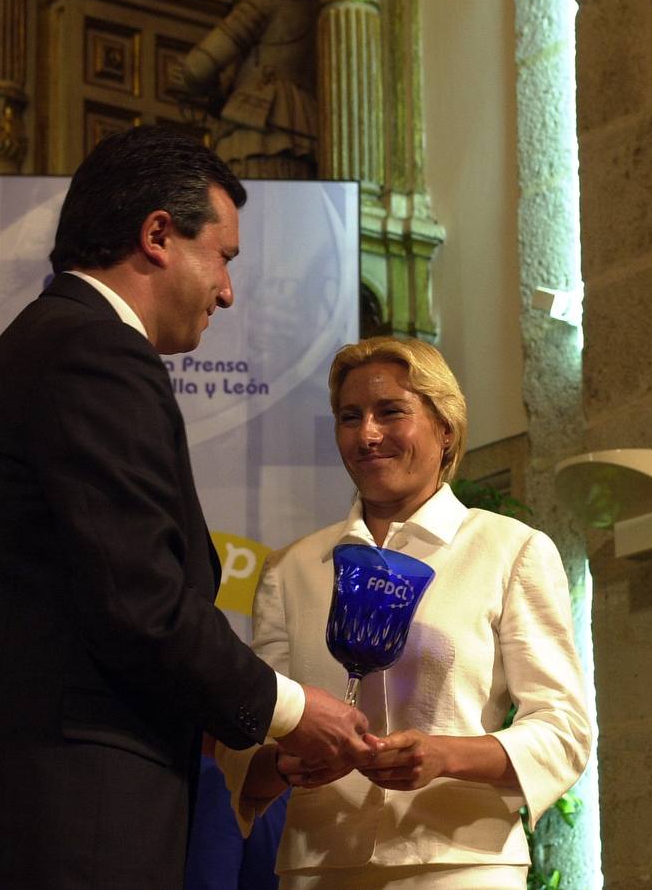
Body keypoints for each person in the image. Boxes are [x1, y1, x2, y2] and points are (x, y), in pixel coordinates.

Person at [0, 126, 371, 889]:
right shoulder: (94, 352)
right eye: (224, 258)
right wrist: (291, 707)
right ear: (158, 236)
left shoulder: (44, 344)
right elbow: (139, 602)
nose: (229, 291)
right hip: (62, 825)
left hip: (12, 817)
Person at [215, 337, 593, 889]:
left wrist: (445, 755)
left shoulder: (510, 550)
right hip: (319, 865)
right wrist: (286, 765)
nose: (367, 435)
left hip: (460, 865)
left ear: (445, 429)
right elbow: (248, 735)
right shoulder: (292, 569)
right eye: (350, 417)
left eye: (391, 411)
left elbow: (564, 729)